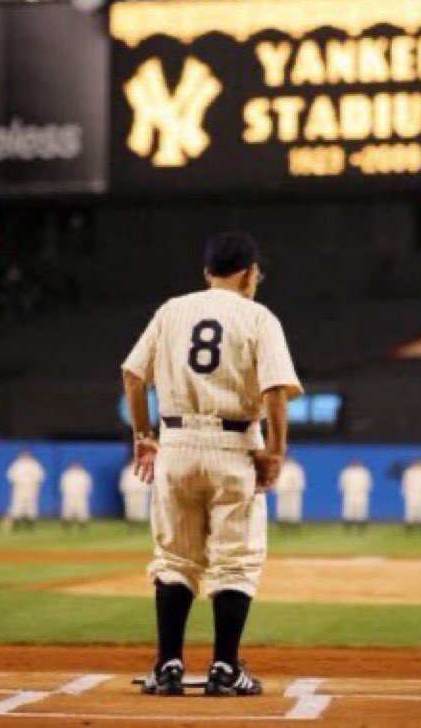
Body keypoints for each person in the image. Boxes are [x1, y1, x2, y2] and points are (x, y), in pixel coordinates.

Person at [122, 231, 301, 697]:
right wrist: (276, 452)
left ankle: (168, 668)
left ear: (207, 272)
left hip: (176, 445)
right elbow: (275, 390)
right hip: (234, 445)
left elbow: (132, 375)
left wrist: (145, 436)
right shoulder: (259, 316)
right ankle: (224, 668)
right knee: (236, 561)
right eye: (256, 272)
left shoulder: (171, 310)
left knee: (175, 558)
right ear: (248, 273)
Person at [5, 450, 45, 529]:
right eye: (24, 454)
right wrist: (16, 483)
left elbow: (40, 477)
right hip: (19, 488)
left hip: (31, 488)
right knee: (17, 504)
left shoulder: (35, 464)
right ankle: (16, 523)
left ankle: (30, 523)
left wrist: (36, 486)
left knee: (31, 505)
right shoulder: (16, 464)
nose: (26, 456)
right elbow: (10, 476)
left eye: (27, 455)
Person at [338, 460, 372, 527]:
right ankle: (347, 524)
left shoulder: (364, 472)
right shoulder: (346, 472)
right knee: (348, 508)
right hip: (349, 493)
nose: (355, 464)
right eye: (353, 463)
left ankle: (361, 524)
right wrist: (344, 490)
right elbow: (342, 482)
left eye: (356, 463)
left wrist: (365, 490)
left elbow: (368, 482)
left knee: (361, 508)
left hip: (361, 493)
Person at [119, 456, 151, 525]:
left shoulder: (143, 470)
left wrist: (145, 490)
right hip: (130, 493)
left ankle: (142, 523)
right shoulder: (126, 471)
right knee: (130, 508)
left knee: (141, 508)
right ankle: (132, 523)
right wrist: (125, 491)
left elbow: (147, 481)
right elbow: (123, 482)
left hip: (141, 493)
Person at [60, 462, 92, 527]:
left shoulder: (84, 475)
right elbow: (63, 484)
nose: (76, 467)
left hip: (81, 495)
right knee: (67, 508)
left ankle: (83, 523)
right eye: (74, 465)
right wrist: (65, 492)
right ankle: (66, 523)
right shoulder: (67, 474)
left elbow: (88, 485)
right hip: (69, 495)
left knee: (82, 509)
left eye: (77, 465)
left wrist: (86, 493)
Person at [274, 457, 306, 524]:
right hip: (282, 491)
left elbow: (300, 480)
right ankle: (282, 522)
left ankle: (294, 524)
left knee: (294, 507)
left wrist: (298, 488)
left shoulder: (296, 468)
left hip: (293, 491)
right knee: (282, 508)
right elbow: (277, 479)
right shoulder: (280, 467)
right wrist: (277, 488)